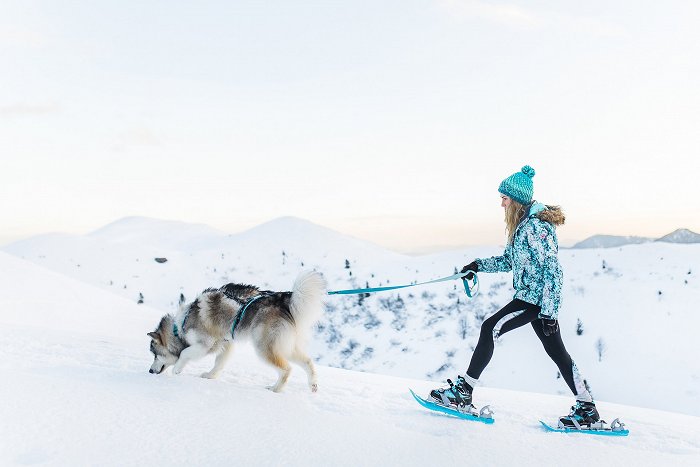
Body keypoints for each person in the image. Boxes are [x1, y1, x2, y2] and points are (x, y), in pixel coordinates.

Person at [429, 165, 600, 428]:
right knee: (558, 353)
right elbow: (510, 260)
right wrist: (477, 265)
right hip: (533, 299)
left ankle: (463, 393)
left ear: (517, 200)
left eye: (504, 199)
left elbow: (553, 270)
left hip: (534, 301)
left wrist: (549, 312)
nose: (501, 204)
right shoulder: (522, 226)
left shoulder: (536, 227)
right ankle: (587, 408)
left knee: (489, 328)